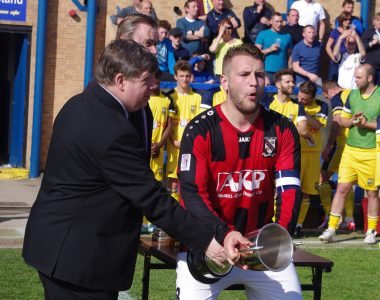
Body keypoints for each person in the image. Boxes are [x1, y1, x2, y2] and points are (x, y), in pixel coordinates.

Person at [22, 40, 248, 299]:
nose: (153, 87)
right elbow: (151, 198)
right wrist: (209, 241)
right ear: (120, 80)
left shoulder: (79, 104)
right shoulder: (112, 129)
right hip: (79, 259)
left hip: (60, 247)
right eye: (146, 80)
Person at [176, 44, 302, 300]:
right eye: (244, 75)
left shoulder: (282, 129)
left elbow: (289, 189)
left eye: (259, 74)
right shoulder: (200, 130)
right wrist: (223, 233)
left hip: (262, 246)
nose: (254, 83)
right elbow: (192, 194)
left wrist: (278, 236)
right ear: (224, 82)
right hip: (209, 245)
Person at [319, 64, 380, 244]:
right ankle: (331, 228)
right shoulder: (352, 95)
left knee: (372, 193)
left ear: (370, 78)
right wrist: (353, 121)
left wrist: (365, 123)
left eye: (359, 77)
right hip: (351, 150)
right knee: (342, 188)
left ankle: (371, 230)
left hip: (372, 152)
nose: (355, 80)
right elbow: (342, 121)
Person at [166, 60, 204, 201]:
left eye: (187, 76)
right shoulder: (169, 97)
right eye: (181, 76)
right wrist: (174, 141)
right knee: (173, 182)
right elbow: (167, 124)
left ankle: (186, 211)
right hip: (174, 145)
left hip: (191, 147)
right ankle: (172, 213)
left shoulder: (197, 97)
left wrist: (190, 143)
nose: (184, 79)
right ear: (175, 76)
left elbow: (199, 125)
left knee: (188, 179)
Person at [319, 80, 355, 230]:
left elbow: (337, 122)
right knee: (350, 181)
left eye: (327, 97)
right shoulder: (354, 94)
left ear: (329, 92)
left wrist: (328, 146)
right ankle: (350, 219)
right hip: (357, 143)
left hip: (342, 144)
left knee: (322, 177)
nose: (328, 100)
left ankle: (330, 215)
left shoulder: (337, 98)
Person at [294, 81, 328, 237]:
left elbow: (318, 125)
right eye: (299, 98)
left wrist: (301, 113)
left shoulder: (322, 106)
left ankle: (299, 225)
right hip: (295, 151)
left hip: (313, 153)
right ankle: (285, 223)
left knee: (307, 191)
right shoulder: (292, 103)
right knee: (291, 189)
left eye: (305, 100)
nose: (301, 101)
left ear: (313, 97)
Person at [255, 12, 292, 84]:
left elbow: (290, 54)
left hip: (283, 72)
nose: (279, 24)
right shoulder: (263, 34)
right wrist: (269, 49)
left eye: (281, 21)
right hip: (267, 71)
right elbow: (256, 52)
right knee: (268, 94)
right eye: (277, 21)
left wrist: (290, 69)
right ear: (271, 22)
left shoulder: (287, 36)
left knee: (282, 94)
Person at [325, 11, 351, 81]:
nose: (348, 21)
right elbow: (328, 46)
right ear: (342, 20)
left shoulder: (351, 32)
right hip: (336, 59)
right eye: (346, 19)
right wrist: (333, 58)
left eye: (349, 19)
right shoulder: (335, 31)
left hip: (347, 60)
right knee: (333, 82)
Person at [361, 12, 380, 85]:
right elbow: (362, 47)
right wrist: (371, 43)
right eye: (378, 20)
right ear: (374, 21)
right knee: (370, 87)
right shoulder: (368, 32)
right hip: (371, 66)